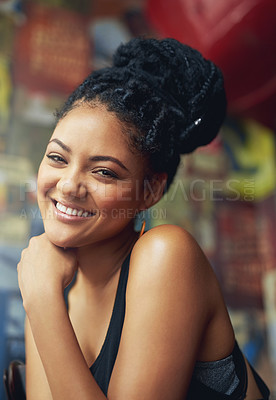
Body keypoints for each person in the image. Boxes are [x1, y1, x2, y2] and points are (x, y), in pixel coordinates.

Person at [17, 37, 270, 400]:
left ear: (150, 191)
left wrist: (43, 301)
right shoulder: (46, 279)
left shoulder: (165, 255)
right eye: (57, 158)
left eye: (104, 172)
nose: (69, 184)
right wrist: (44, 298)